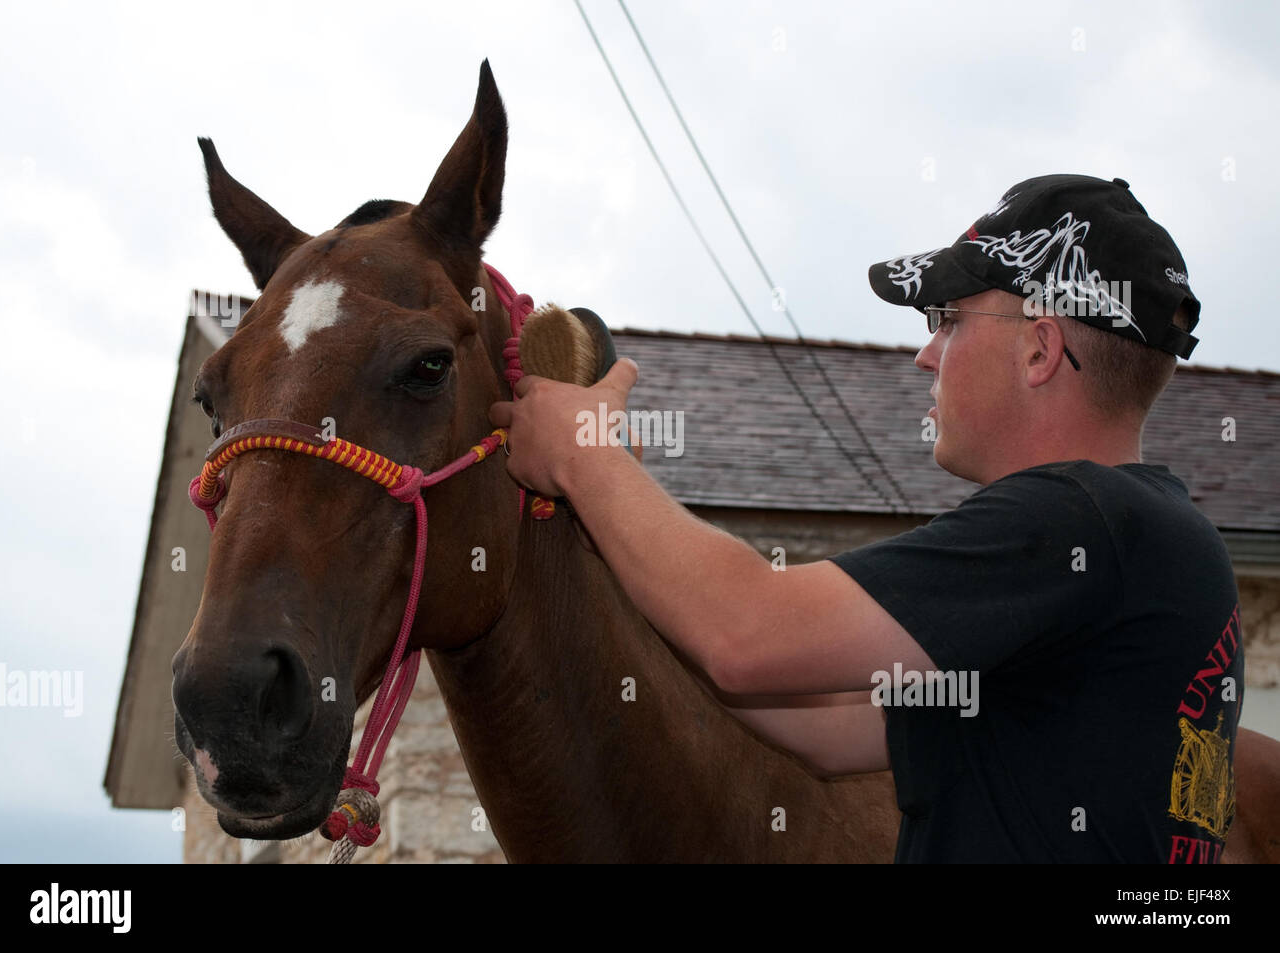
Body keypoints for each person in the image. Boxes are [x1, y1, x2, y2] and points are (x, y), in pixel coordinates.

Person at [488, 174, 1241, 863]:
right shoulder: (1153, 543)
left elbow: (748, 634)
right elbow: (825, 724)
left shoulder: (1079, 519)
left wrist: (587, 459)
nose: (926, 354)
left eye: (947, 318)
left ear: (1040, 347)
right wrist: (624, 524)